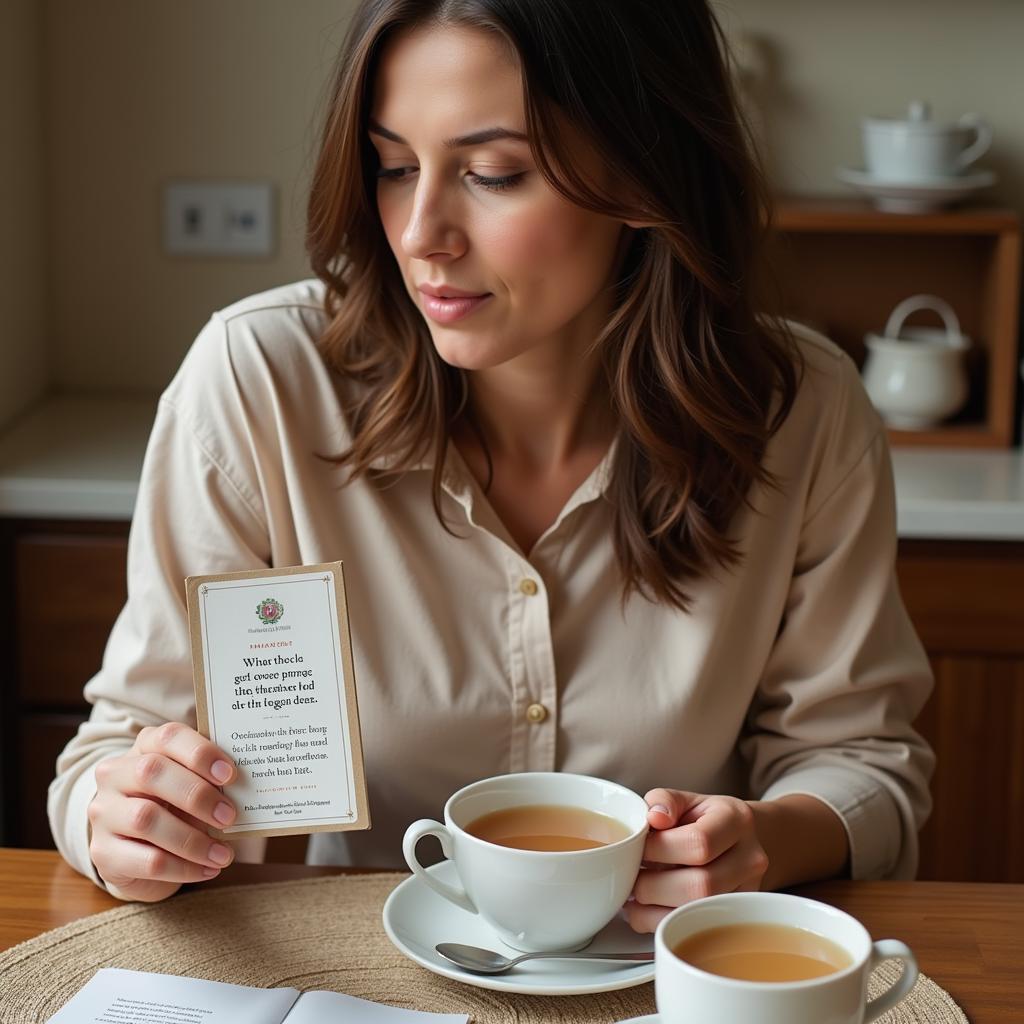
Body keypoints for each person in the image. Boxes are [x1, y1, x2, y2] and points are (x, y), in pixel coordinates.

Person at [49, 0, 934, 922]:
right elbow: (112, 754)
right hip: (354, 980)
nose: (420, 231)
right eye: (393, 166)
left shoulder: (804, 410)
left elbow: (865, 763)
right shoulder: (263, 384)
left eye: (494, 173)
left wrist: (763, 839)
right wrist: (127, 821)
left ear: (645, 176)